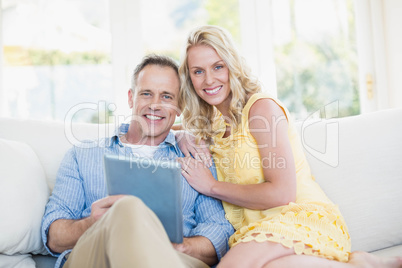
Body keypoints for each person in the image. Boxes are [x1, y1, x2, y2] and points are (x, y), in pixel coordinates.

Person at [176, 25, 402, 268]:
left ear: (233, 65)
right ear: (189, 79)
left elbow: (282, 194)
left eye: (218, 66)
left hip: (300, 220)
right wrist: (179, 135)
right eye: (198, 71)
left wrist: (211, 186)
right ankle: (366, 263)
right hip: (256, 234)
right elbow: (159, 125)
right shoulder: (212, 124)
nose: (209, 79)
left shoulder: (261, 109)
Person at [41, 54, 234, 268]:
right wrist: (92, 224)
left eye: (167, 97)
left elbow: (219, 231)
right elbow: (53, 237)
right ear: (131, 97)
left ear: (180, 107)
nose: (155, 105)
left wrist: (180, 246)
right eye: (146, 94)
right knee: (127, 208)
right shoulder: (82, 155)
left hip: (174, 260)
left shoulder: (196, 157)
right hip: (97, 257)